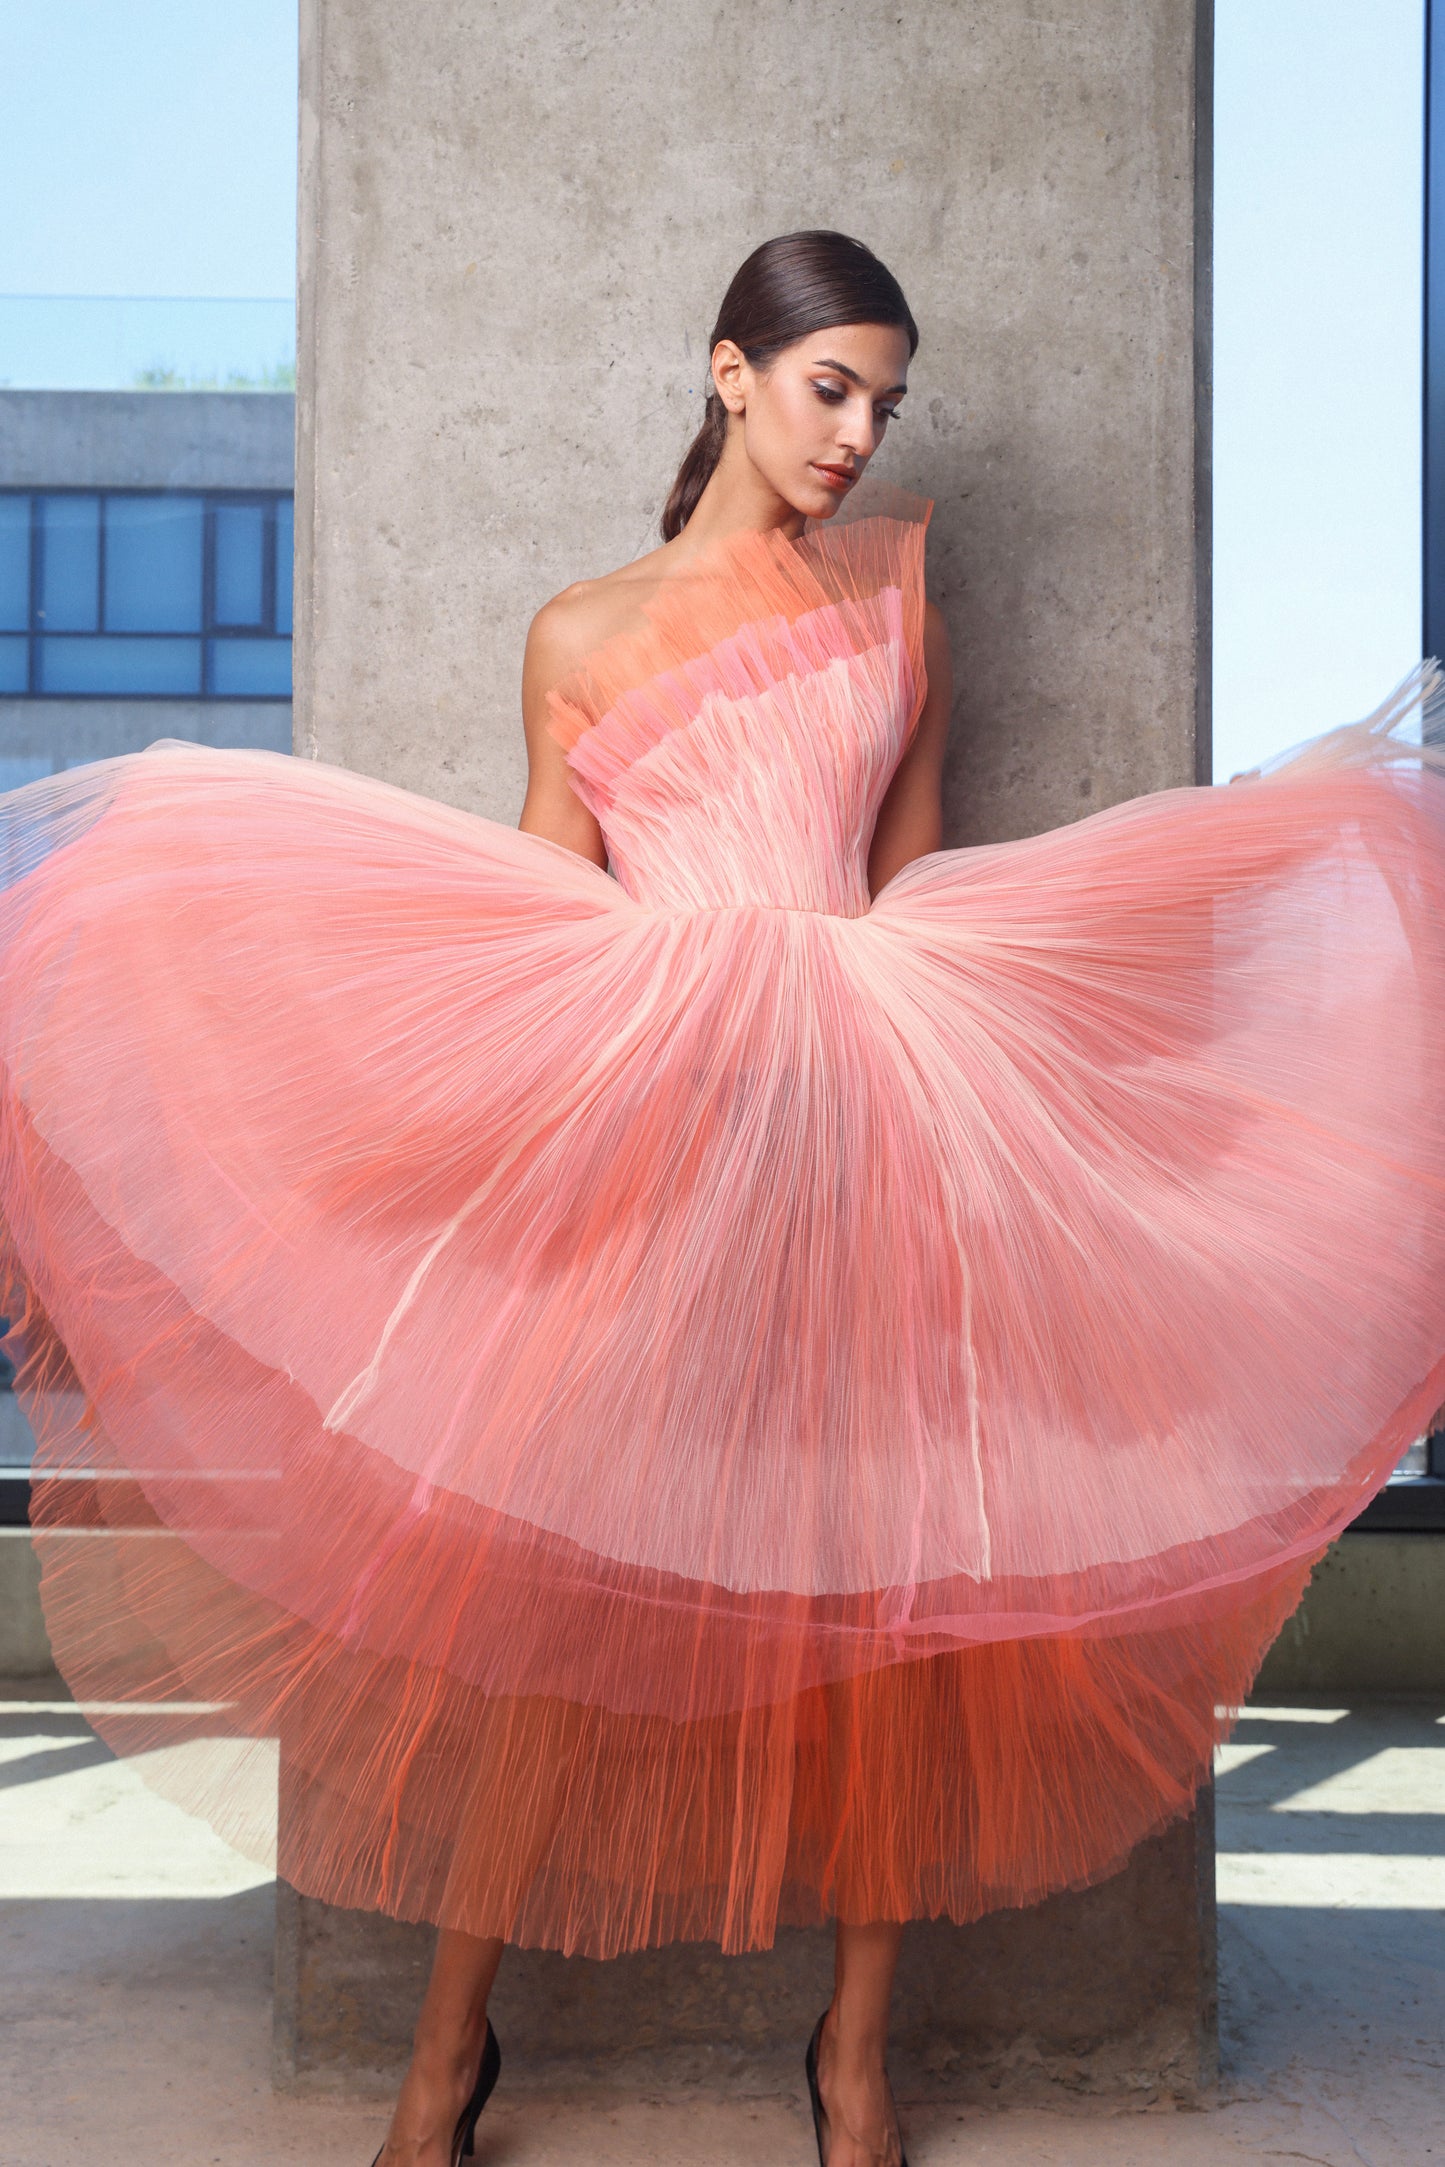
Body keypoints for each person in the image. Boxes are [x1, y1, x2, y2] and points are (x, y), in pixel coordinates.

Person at [2, 230, 1444, 2167]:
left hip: (871, 1128)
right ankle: (445, 2061)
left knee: (884, 1589)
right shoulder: (581, 635)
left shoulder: (895, 592)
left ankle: (852, 2061)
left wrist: (1123, 942)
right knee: (524, 1578)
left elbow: (912, 881)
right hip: (660, 1124)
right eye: (829, 385)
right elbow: (542, 906)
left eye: (884, 399)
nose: (857, 432)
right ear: (729, 375)